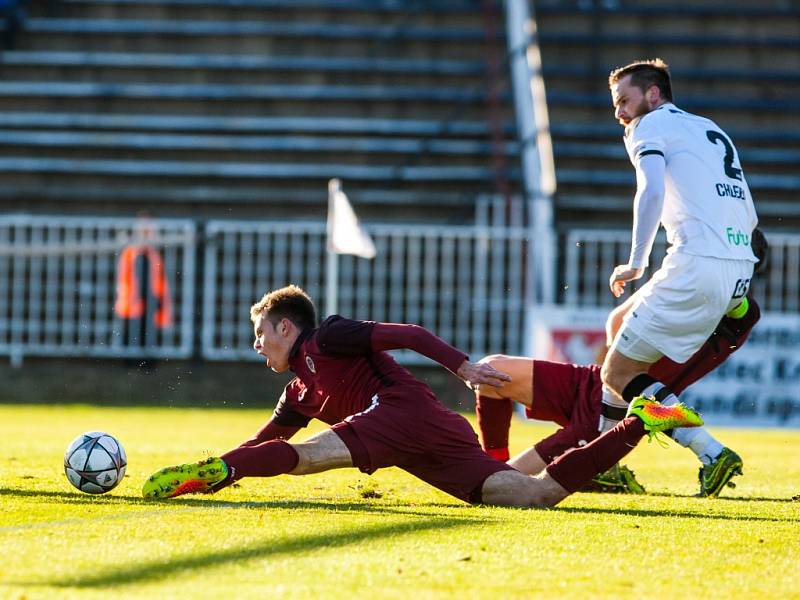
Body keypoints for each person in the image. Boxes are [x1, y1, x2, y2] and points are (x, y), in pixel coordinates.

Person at [142, 284, 702, 506]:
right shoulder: (297, 393)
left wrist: (462, 367)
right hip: (430, 435)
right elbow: (265, 440)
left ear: (287, 327)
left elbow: (406, 334)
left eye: (260, 333)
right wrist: (233, 463)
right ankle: (640, 421)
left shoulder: (328, 336)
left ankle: (209, 473)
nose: (256, 344)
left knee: (308, 461)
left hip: (401, 411)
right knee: (532, 496)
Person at [599, 59, 759, 471]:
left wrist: (636, 261)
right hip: (739, 265)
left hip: (697, 264)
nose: (619, 112)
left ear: (653, 95)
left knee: (616, 373)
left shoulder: (648, 127)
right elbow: (743, 204)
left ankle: (708, 449)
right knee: (619, 324)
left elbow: (650, 190)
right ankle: (604, 460)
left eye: (624, 101)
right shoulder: (708, 128)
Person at [474, 293, 761, 497]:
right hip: (593, 378)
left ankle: (602, 472)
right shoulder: (696, 283)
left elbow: (618, 321)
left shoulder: (729, 302)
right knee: (490, 372)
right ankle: (496, 462)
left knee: (500, 484)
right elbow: (617, 321)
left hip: (613, 404)